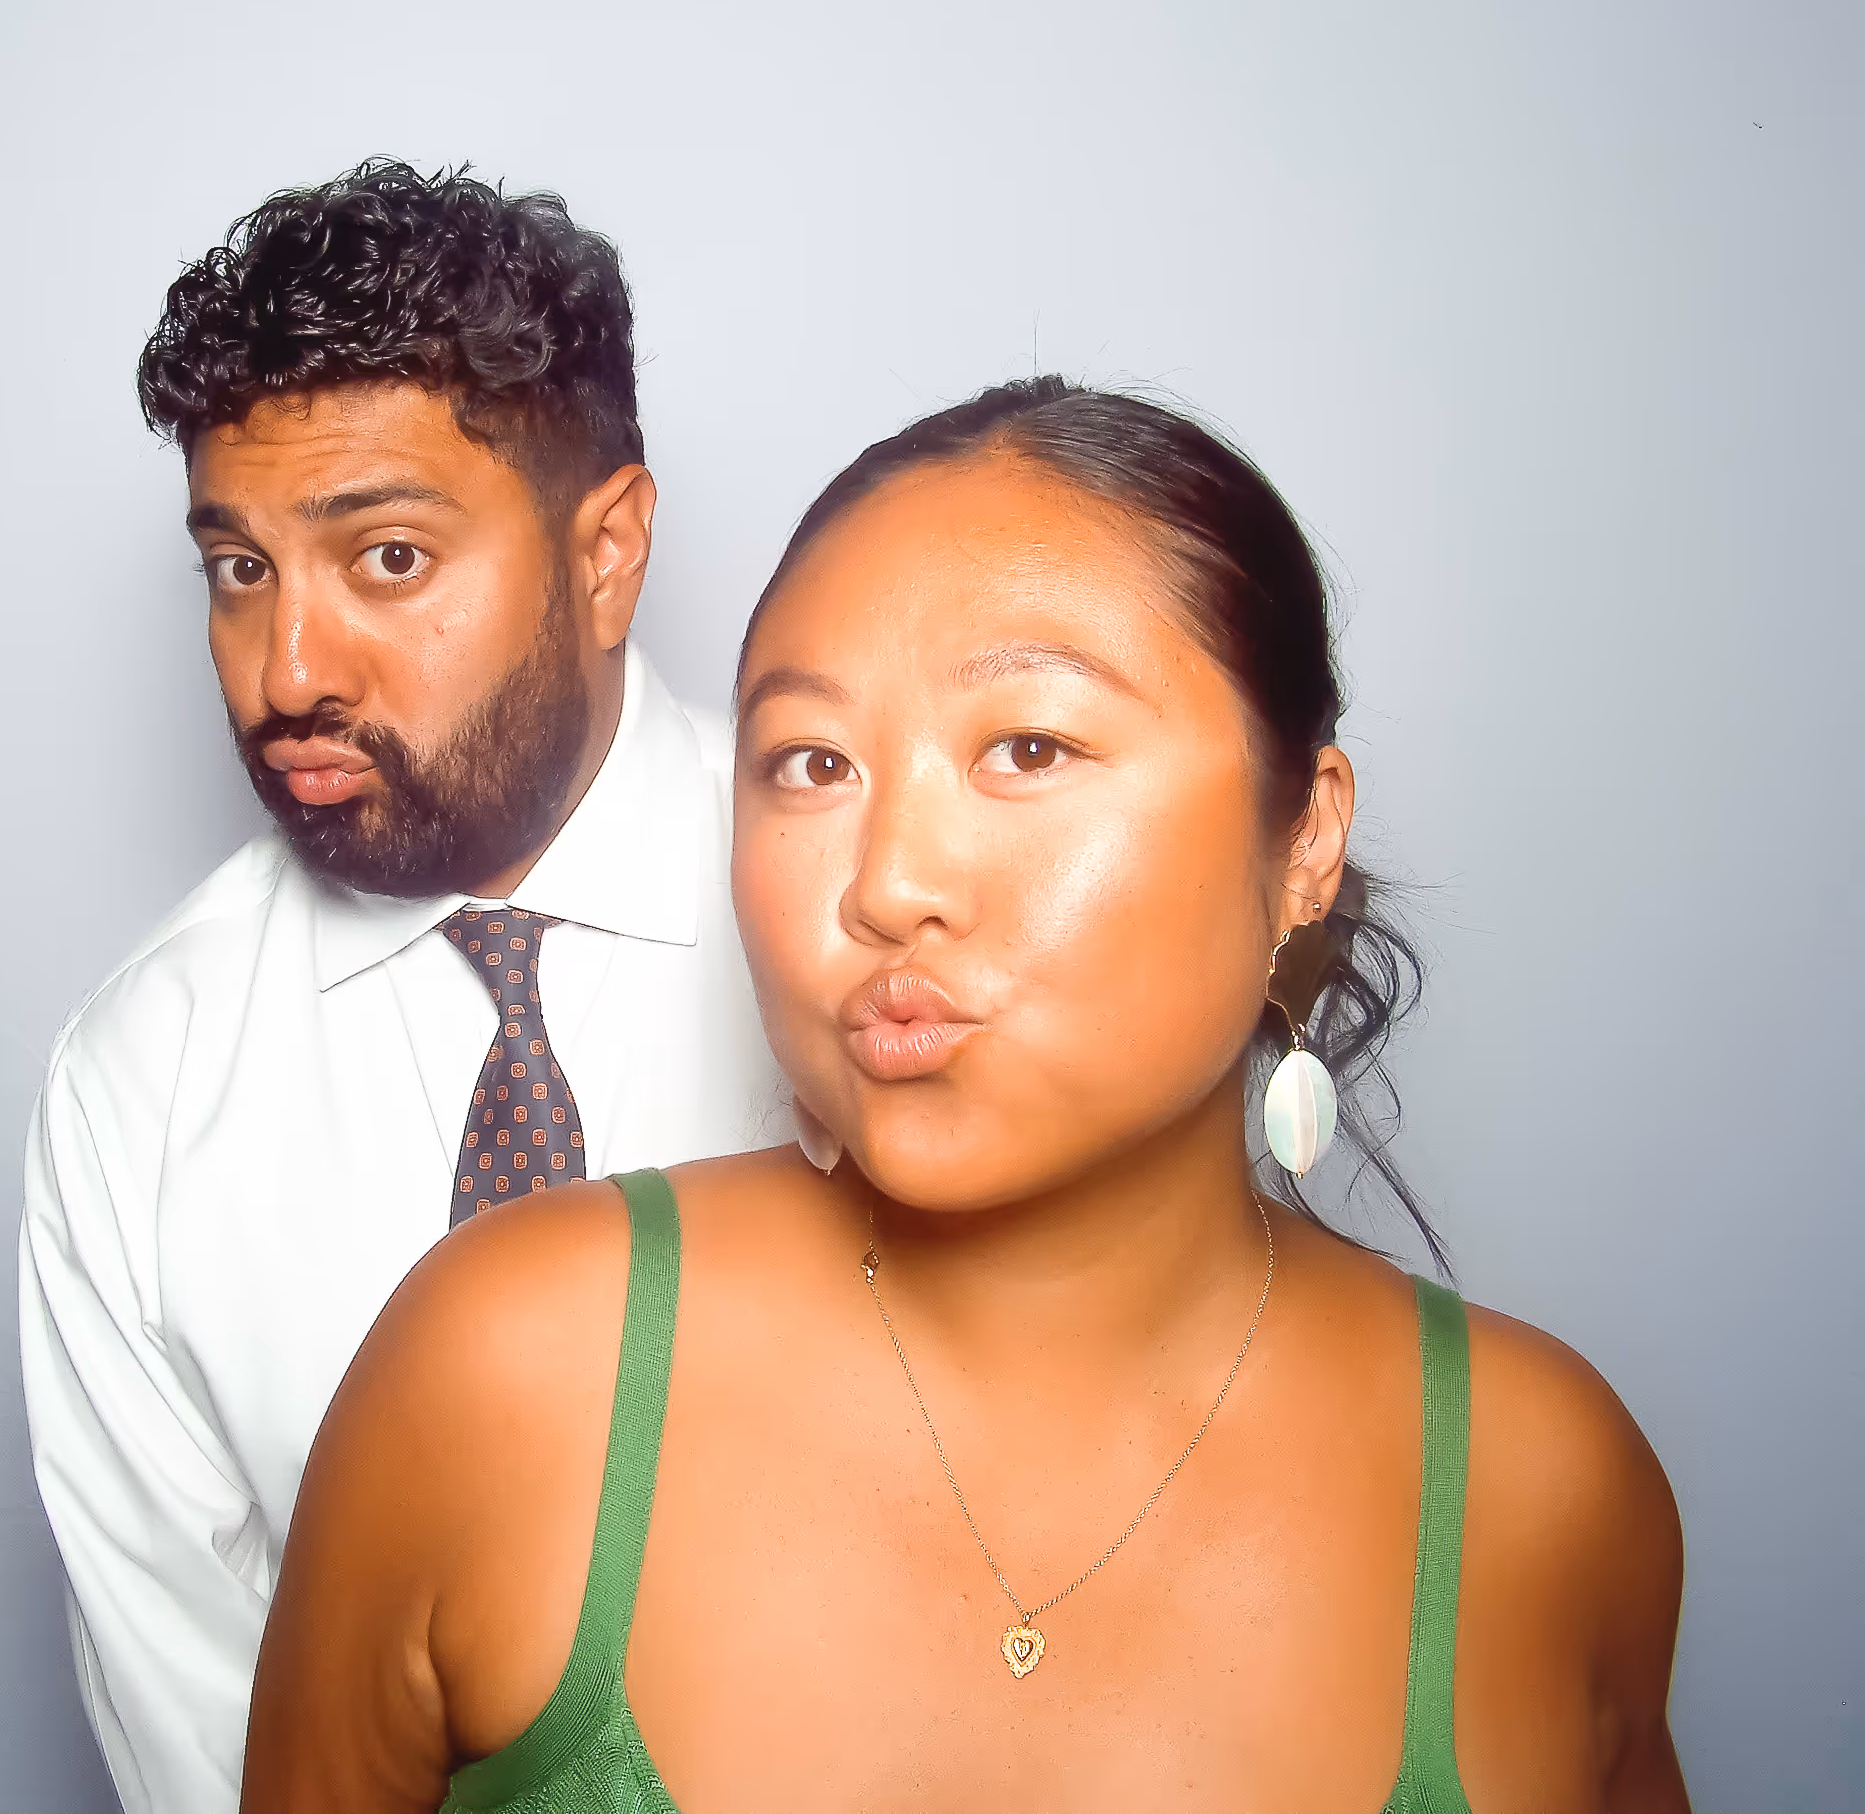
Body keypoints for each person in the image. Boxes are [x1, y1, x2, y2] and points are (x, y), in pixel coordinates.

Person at [245, 378, 1689, 1811]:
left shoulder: (1542, 1487)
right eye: (812, 764)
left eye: (1028, 748)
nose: (886, 884)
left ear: (1305, 835)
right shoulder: (508, 1374)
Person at [19, 161, 784, 1811]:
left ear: (608, 553)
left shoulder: (868, 932)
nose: (289, 671)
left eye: (383, 558)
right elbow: (215, 1750)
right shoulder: (143, 1083)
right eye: (239, 569)